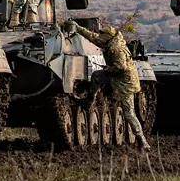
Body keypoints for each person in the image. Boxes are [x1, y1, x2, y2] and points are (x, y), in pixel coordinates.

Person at [63, 19, 150, 150]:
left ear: (108, 38)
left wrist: (107, 70)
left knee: (129, 113)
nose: (100, 39)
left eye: (103, 37)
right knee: (97, 76)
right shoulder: (110, 42)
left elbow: (120, 67)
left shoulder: (116, 48)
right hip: (118, 77)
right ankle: (90, 100)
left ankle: (142, 141)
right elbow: (93, 37)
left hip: (126, 83)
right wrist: (78, 28)